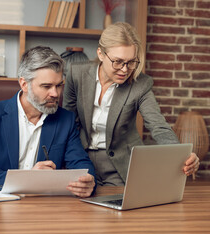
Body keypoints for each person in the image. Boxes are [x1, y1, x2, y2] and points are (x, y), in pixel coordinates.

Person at [63, 22, 200, 186]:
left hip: (120, 166)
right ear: (100, 53)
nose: (124, 69)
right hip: (81, 160)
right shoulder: (76, 74)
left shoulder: (140, 84)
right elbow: (67, 122)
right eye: (118, 61)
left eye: (131, 62)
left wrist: (182, 155)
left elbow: (158, 125)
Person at [0, 46, 96, 197]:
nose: (55, 93)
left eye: (59, 85)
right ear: (24, 84)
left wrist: (88, 181)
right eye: (46, 86)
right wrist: (25, 179)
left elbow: (82, 165)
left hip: (43, 207)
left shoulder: (65, 120)